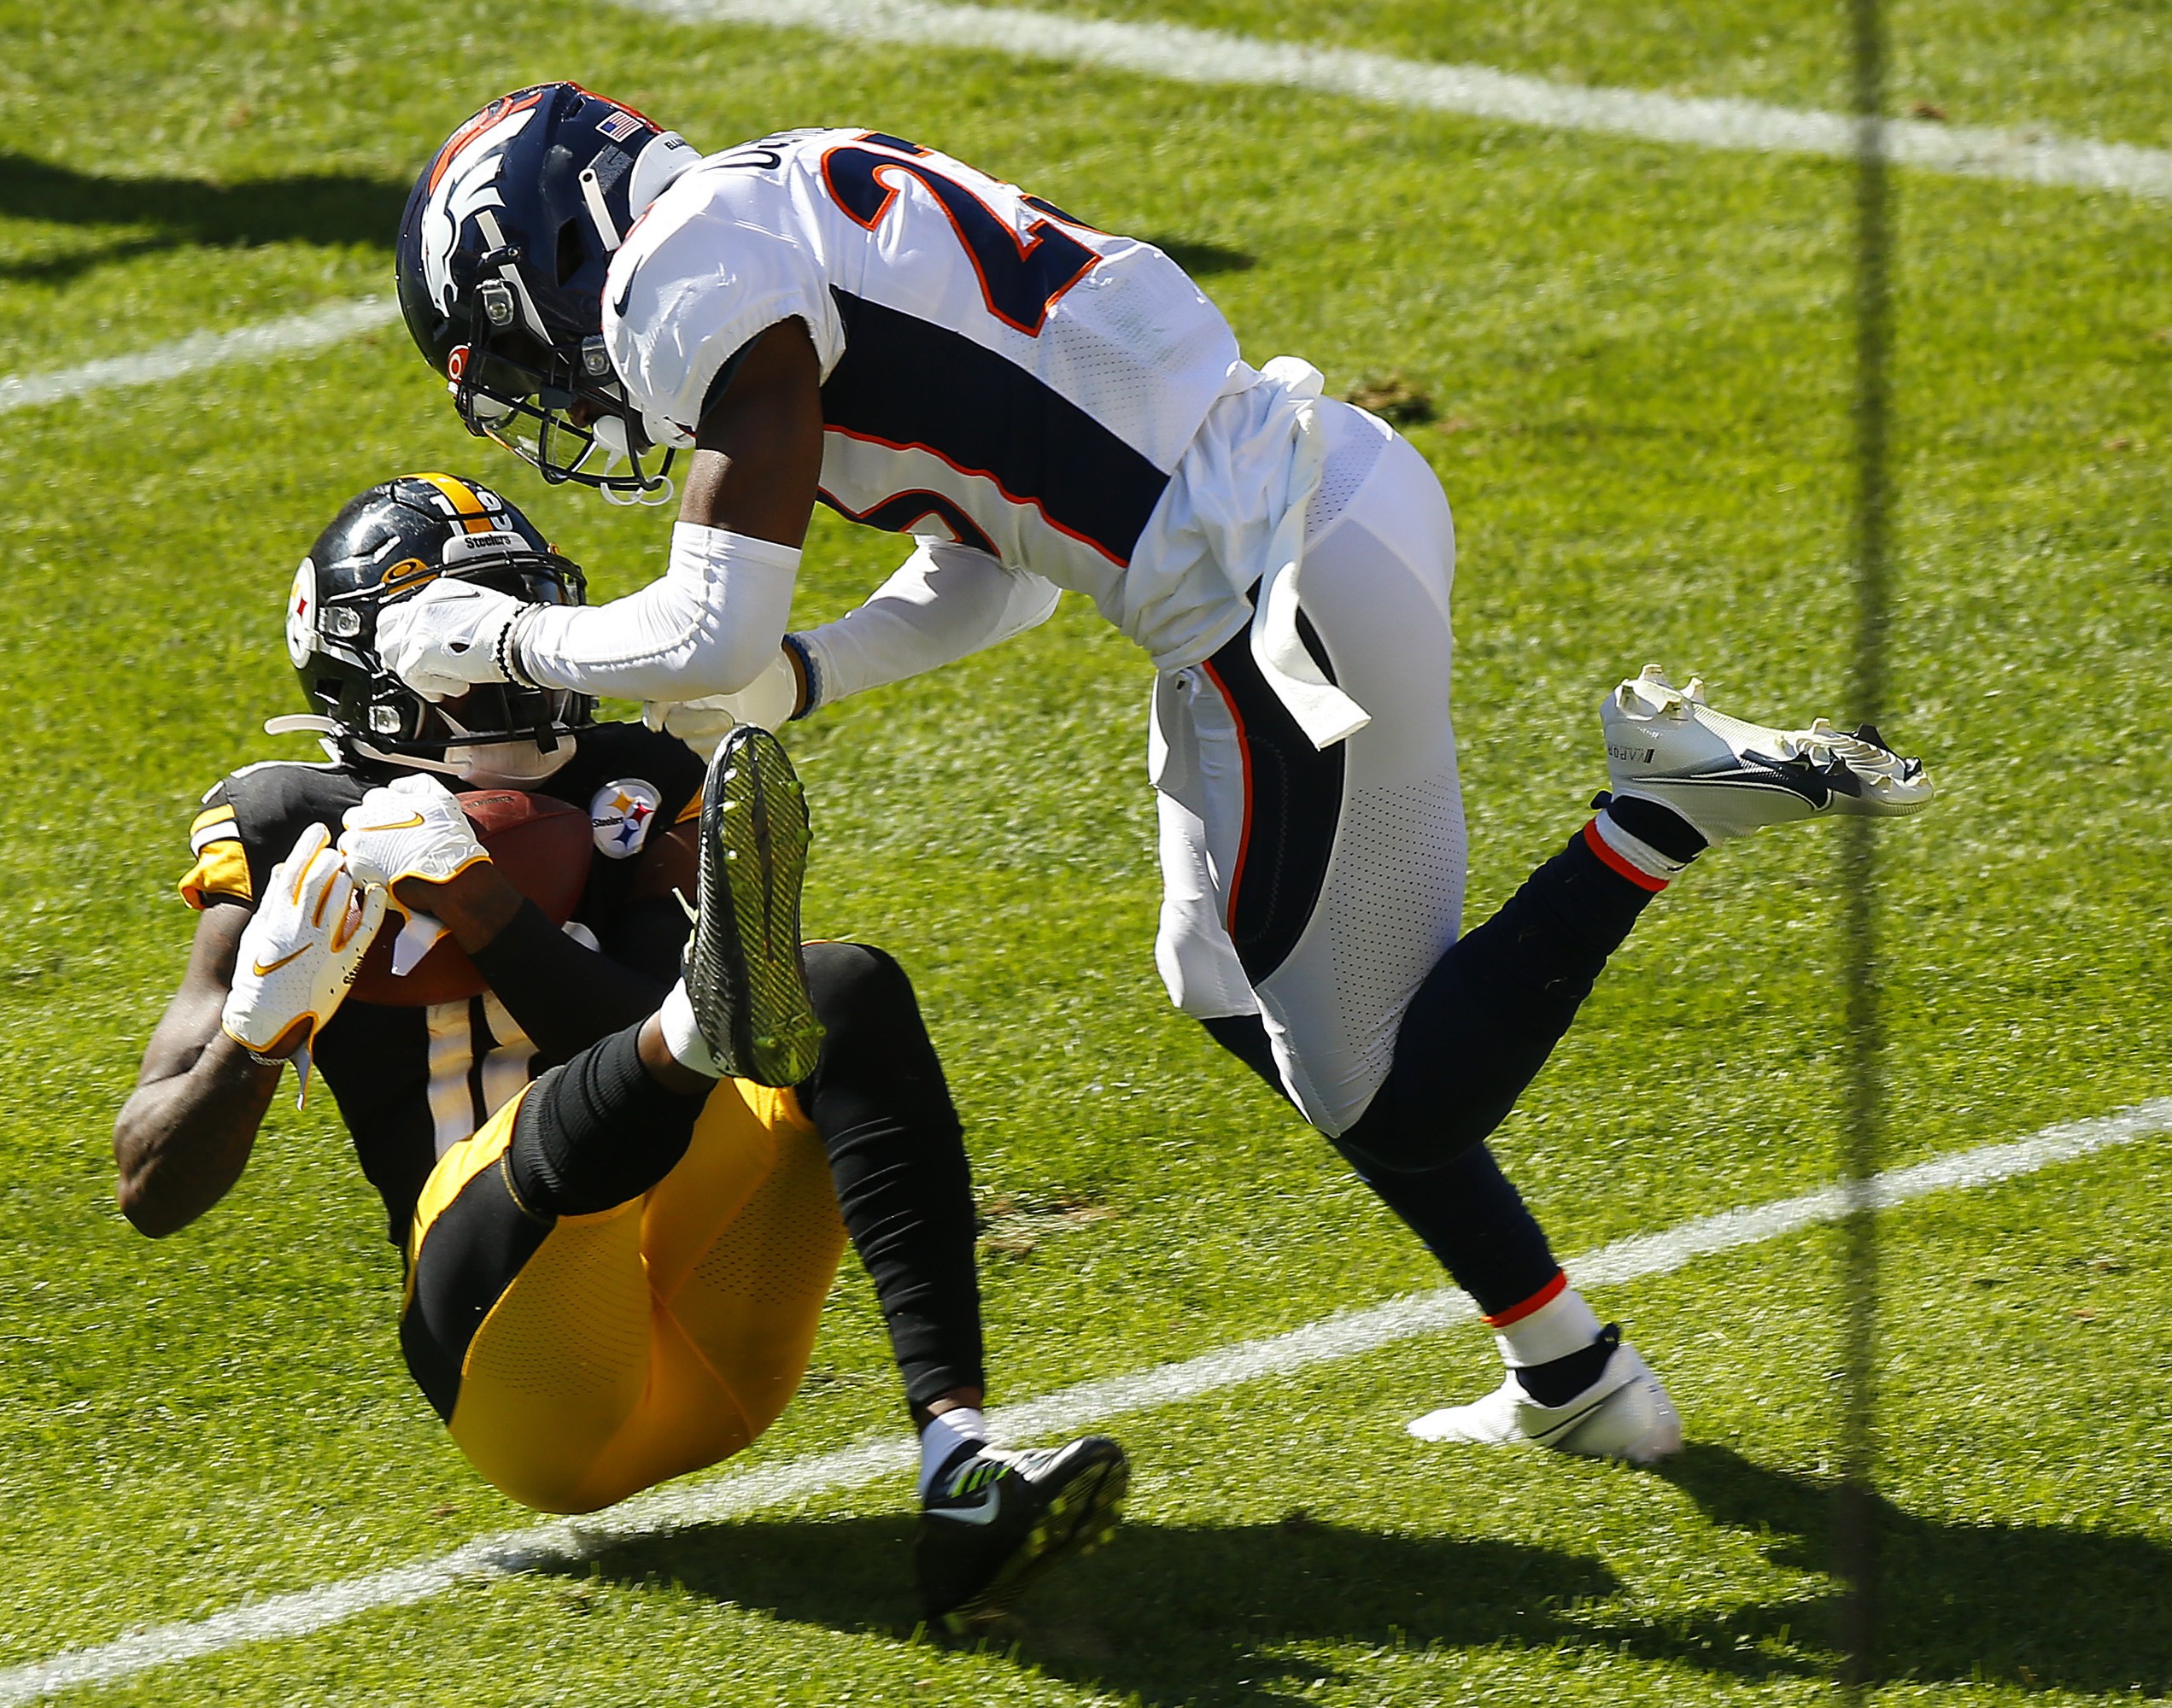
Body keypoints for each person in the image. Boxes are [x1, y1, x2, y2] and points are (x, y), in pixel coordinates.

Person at [378, 85, 1938, 1461]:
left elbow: (707, 630)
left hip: (1277, 611)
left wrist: (499, 642)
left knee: (1385, 1096)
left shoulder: (686, 279)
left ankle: (1658, 810)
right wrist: (803, 680)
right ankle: (1576, 1371)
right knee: (1212, 973)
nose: (557, 389)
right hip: (1310, 527)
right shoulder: (787, 191)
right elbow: (994, 570)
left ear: (548, 257)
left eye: (516, 340)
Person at [114, 472, 1126, 1631]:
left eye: (516, 626)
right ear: (373, 668)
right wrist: (257, 1035)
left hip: (708, 1312)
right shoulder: (290, 816)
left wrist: (484, 910)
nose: (507, 669)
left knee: (838, 989)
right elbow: (150, 1187)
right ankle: (712, 1001)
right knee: (629, 1074)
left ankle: (960, 1467)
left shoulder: (628, 778)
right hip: (523, 1368)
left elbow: (659, 1072)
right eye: (464, 643)